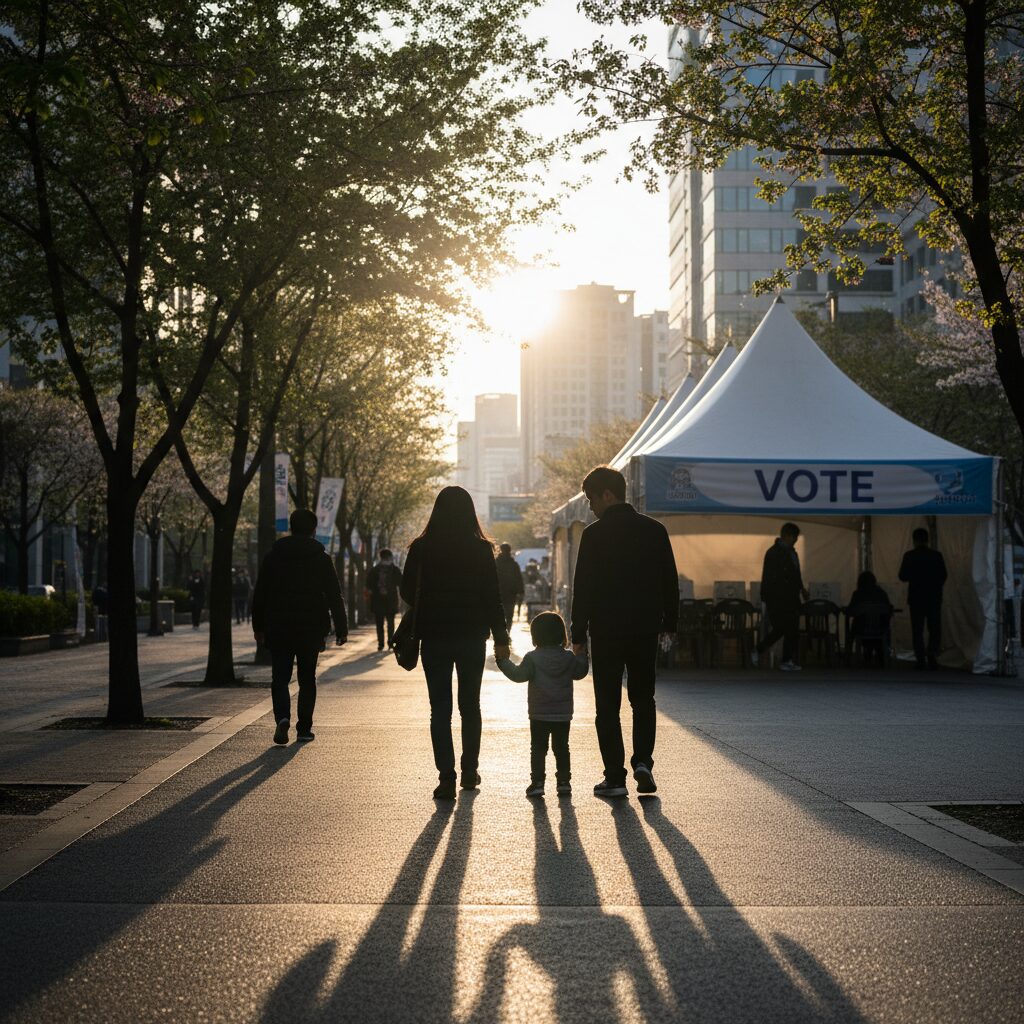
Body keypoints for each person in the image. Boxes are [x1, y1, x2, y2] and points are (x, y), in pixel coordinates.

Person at [570, 465, 679, 798]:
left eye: (591, 499)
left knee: (607, 705)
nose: (591, 507)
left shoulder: (594, 535)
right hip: (645, 628)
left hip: (606, 631)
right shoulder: (655, 530)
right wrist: (669, 625)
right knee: (643, 699)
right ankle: (643, 761)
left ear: (607, 494)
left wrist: (577, 634)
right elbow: (669, 582)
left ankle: (615, 777)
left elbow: (583, 588)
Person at [401, 486, 509, 800]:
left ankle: (446, 777)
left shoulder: (421, 548)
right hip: (471, 636)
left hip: (433, 636)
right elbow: (493, 598)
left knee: (440, 710)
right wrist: (501, 638)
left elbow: (407, 592)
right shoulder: (480, 549)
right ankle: (470, 770)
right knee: (470, 707)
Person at [252, 508, 347, 745]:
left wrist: (258, 626)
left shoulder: (273, 556)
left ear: (291, 527)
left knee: (280, 677)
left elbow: (260, 593)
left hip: (279, 624)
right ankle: (304, 727)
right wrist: (341, 627)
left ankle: (282, 717)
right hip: (311, 626)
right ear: (314, 529)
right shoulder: (321, 558)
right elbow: (334, 594)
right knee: (307, 679)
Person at [497, 611, 588, 798]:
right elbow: (580, 672)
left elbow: (518, 675)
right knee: (562, 747)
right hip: (563, 713)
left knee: (538, 748)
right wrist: (582, 654)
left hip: (539, 713)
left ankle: (537, 782)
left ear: (535, 635)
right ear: (562, 634)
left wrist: (502, 662)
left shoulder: (532, 658)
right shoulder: (568, 658)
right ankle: (564, 782)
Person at [753, 522, 808, 671]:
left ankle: (787, 659)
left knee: (792, 629)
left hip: (792, 597)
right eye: (794, 537)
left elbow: (796, 574)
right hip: (777, 598)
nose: (795, 540)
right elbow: (768, 577)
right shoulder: (773, 553)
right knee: (781, 628)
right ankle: (760, 650)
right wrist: (766, 597)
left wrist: (802, 589)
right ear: (786, 536)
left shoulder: (792, 553)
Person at [898, 527, 948, 670]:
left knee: (917, 629)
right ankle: (932, 655)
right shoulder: (936, 556)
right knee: (934, 628)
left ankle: (920, 659)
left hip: (916, 597)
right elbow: (943, 575)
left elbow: (902, 576)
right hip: (934, 597)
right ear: (928, 539)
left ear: (914, 540)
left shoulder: (909, 556)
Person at [845, 571, 893, 668]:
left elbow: (850, 611)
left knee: (855, 624)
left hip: (861, 630)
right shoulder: (881, 594)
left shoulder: (858, 594)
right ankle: (880, 654)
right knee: (884, 624)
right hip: (879, 630)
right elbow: (889, 610)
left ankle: (849, 657)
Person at [366, 548, 403, 651]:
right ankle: (390, 642)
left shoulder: (375, 570)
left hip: (379, 601)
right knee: (390, 623)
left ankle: (381, 644)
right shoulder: (394, 569)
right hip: (390, 600)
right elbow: (401, 583)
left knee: (380, 624)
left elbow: (369, 585)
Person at [495, 543, 524, 633]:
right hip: (510, 594)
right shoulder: (513, 564)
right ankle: (507, 632)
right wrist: (521, 592)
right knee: (509, 615)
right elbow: (519, 579)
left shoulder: (496, 563)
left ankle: (502, 633)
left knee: (500, 614)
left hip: (499, 593)